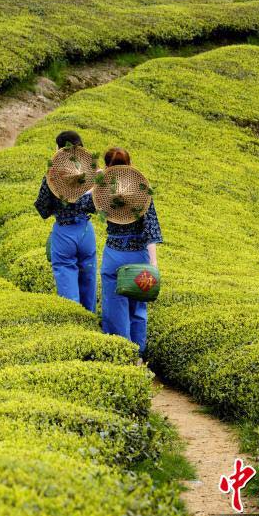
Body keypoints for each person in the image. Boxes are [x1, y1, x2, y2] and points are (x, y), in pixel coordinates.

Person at [96, 147, 162, 358]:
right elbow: (151, 229)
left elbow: (77, 202)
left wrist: (97, 179)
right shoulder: (142, 192)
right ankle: (137, 354)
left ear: (108, 167)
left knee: (114, 307)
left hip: (114, 254)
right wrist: (153, 265)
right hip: (139, 256)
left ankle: (120, 353)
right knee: (138, 307)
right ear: (130, 165)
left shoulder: (103, 191)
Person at [34, 131, 97, 312]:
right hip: (86, 230)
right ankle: (90, 320)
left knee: (65, 275)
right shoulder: (89, 173)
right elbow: (96, 204)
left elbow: (43, 208)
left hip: (64, 231)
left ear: (58, 149)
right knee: (89, 278)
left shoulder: (52, 176)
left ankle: (75, 324)